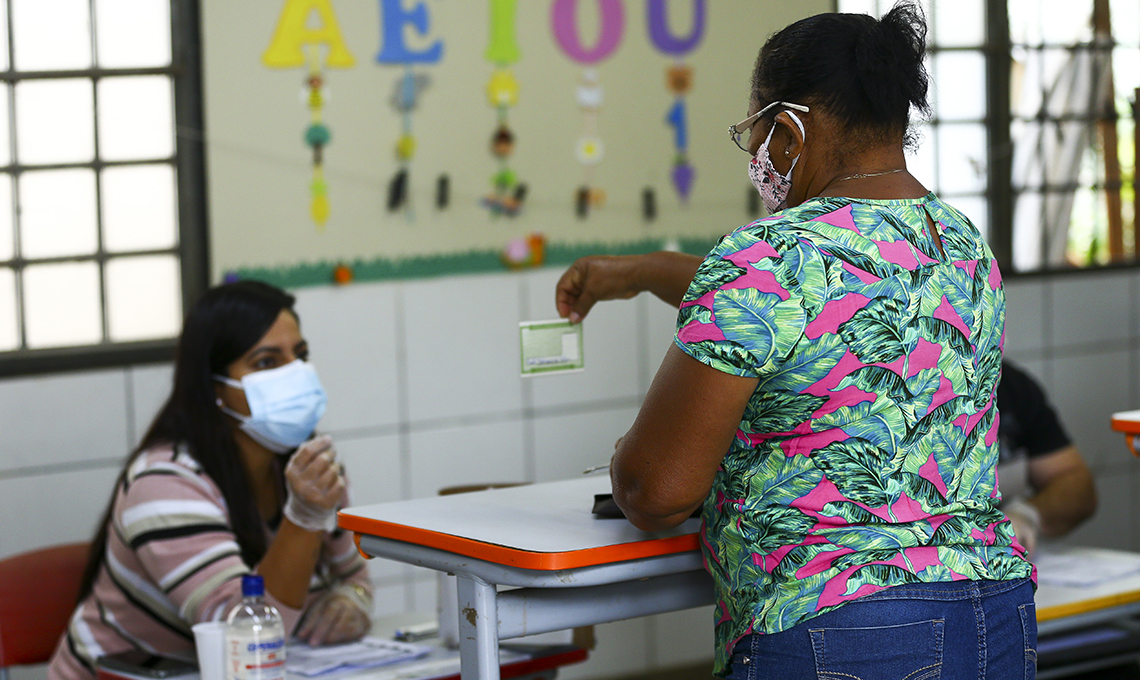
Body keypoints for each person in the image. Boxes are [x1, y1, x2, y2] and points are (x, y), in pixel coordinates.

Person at [556, 5, 1035, 679]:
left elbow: (657, 490)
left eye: (755, 135)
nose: (759, 158)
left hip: (838, 628)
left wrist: (623, 465)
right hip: (993, 614)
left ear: (788, 130)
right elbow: (826, 302)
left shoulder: (767, 257)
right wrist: (639, 272)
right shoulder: (960, 244)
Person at [49, 281, 373, 680]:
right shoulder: (163, 483)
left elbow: (354, 574)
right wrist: (303, 517)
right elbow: (243, 628)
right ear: (216, 387)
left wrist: (351, 602)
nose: (295, 374)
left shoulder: (306, 460)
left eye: (300, 355)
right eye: (267, 363)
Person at [997, 360, 1097, 557]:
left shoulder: (1010, 385)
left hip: (1007, 568)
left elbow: (1074, 482)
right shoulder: (920, 397)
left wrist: (1026, 514)